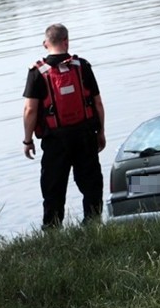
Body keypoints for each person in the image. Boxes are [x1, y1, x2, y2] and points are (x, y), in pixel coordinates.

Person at [22, 23, 106, 228]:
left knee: (53, 187)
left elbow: (30, 110)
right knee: (91, 183)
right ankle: (93, 224)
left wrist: (27, 139)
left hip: (55, 139)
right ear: (66, 41)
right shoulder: (82, 66)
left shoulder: (37, 72)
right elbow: (98, 103)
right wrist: (101, 132)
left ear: (45, 44)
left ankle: (52, 229)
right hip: (85, 133)